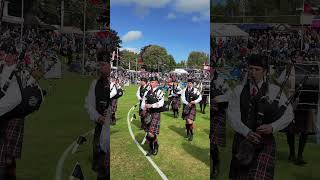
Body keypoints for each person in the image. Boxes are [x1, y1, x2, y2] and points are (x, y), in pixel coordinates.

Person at [227, 54, 294, 180]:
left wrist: (272, 127)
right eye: (251, 68)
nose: (253, 72)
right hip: (242, 142)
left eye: (257, 69)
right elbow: (232, 115)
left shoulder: (273, 90)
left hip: (265, 143)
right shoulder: (239, 90)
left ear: (265, 72)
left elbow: (289, 113)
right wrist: (246, 132)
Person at [0, 41, 42, 180]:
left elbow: (29, 94)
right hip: (3, 115)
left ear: (15, 56)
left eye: (10, 54)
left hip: (15, 117)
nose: (7, 57)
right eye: (5, 53)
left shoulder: (21, 72)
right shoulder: (1, 68)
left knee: (8, 159)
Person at [85, 51, 110, 180]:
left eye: (103, 64)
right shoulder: (95, 83)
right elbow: (88, 105)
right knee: (101, 170)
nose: (101, 68)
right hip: (100, 128)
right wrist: (98, 117)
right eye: (99, 65)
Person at [141, 76, 164, 156]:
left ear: (157, 83)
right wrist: (144, 106)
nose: (151, 83)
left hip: (156, 113)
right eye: (151, 82)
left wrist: (151, 105)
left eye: (153, 82)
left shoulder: (159, 92)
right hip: (148, 113)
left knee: (151, 133)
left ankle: (153, 147)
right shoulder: (146, 92)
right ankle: (154, 146)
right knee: (148, 132)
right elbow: (143, 102)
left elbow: (161, 103)